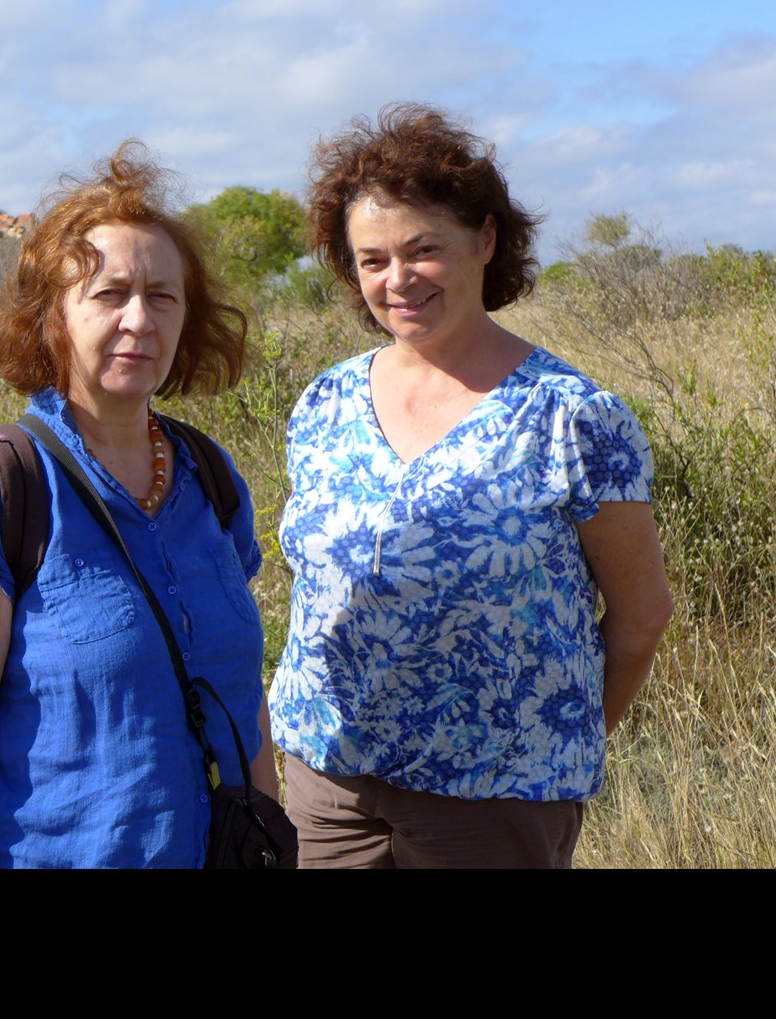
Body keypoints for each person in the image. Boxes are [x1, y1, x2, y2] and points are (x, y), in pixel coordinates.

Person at [269, 105, 673, 868]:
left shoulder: (572, 415)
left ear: (486, 240)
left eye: (424, 249)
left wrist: (546, 756)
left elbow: (642, 615)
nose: (398, 280)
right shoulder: (324, 403)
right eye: (373, 259)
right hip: (326, 786)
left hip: (493, 798)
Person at [0, 142, 278, 868]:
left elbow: (242, 701)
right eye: (109, 295)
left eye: (162, 296)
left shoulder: (210, 475)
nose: (140, 319)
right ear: (52, 319)